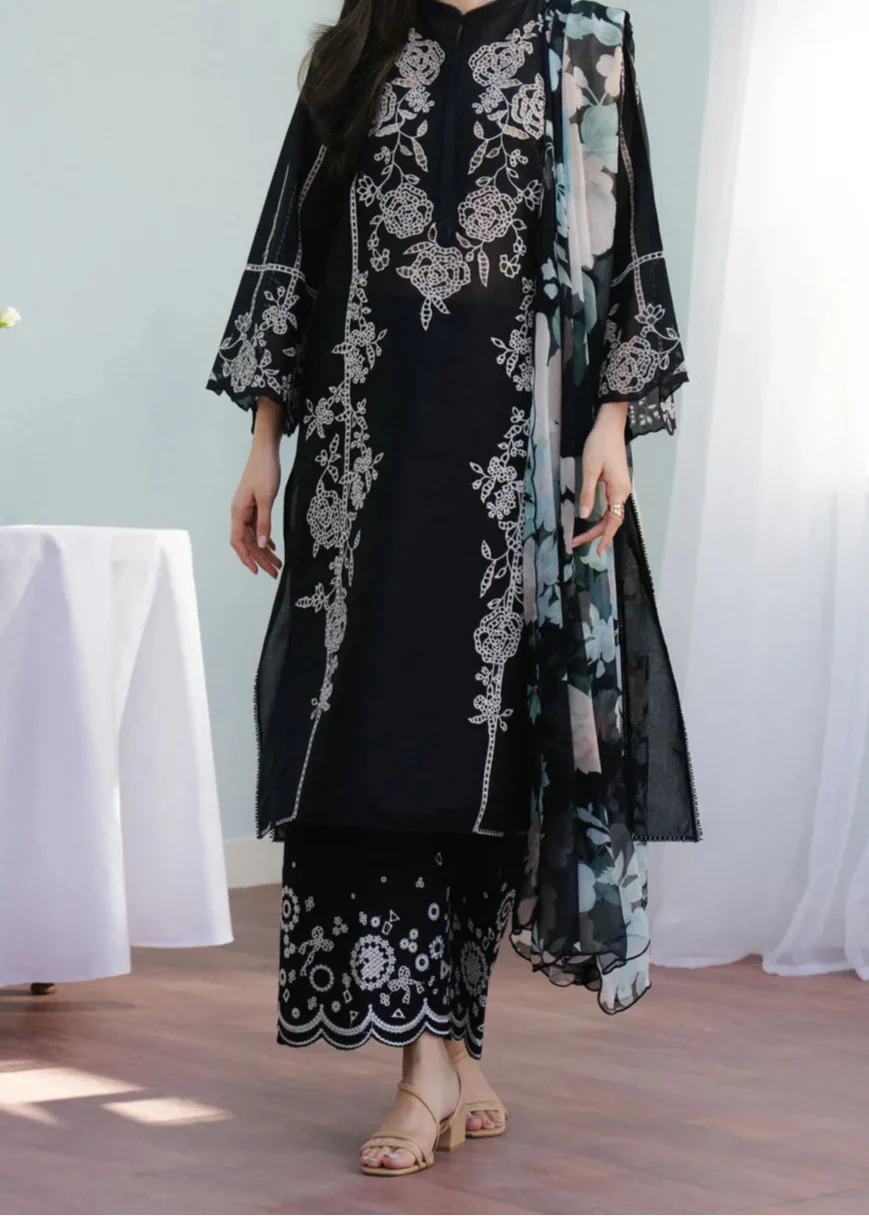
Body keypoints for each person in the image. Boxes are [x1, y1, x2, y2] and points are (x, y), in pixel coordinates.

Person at [208, 0, 700, 1179]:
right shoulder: (364, 40)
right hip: (363, 460)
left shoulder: (583, 43)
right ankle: (430, 1058)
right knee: (374, 739)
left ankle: (442, 1051)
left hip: (516, 461)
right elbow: (295, 241)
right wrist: (264, 443)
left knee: (491, 746)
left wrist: (612, 427)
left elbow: (617, 236)